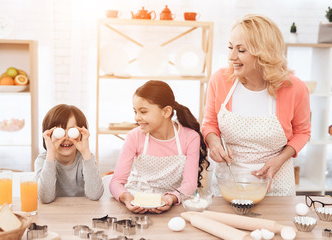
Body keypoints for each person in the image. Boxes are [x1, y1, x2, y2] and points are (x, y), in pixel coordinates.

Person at [202, 14, 311, 196]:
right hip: (228, 180)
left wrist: (280, 160)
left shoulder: (294, 88)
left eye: (241, 50)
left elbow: (302, 132)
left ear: (264, 53)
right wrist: (213, 143)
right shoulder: (220, 80)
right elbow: (209, 123)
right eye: (230, 48)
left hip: (276, 181)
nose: (231, 57)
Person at [110, 80, 209, 214]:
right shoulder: (134, 136)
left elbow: (190, 184)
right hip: (136, 198)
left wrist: (172, 198)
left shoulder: (190, 138)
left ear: (166, 112)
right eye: (135, 111)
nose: (137, 118)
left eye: (143, 112)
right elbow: (116, 182)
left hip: (171, 205)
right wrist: (127, 198)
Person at [35, 104, 103, 203]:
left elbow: (95, 194)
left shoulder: (86, 158)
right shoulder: (43, 160)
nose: (66, 138)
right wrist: (51, 154)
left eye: (72, 131)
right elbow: (45, 198)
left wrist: (85, 152)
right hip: (52, 214)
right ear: (48, 135)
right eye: (60, 131)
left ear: (81, 133)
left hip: (81, 213)